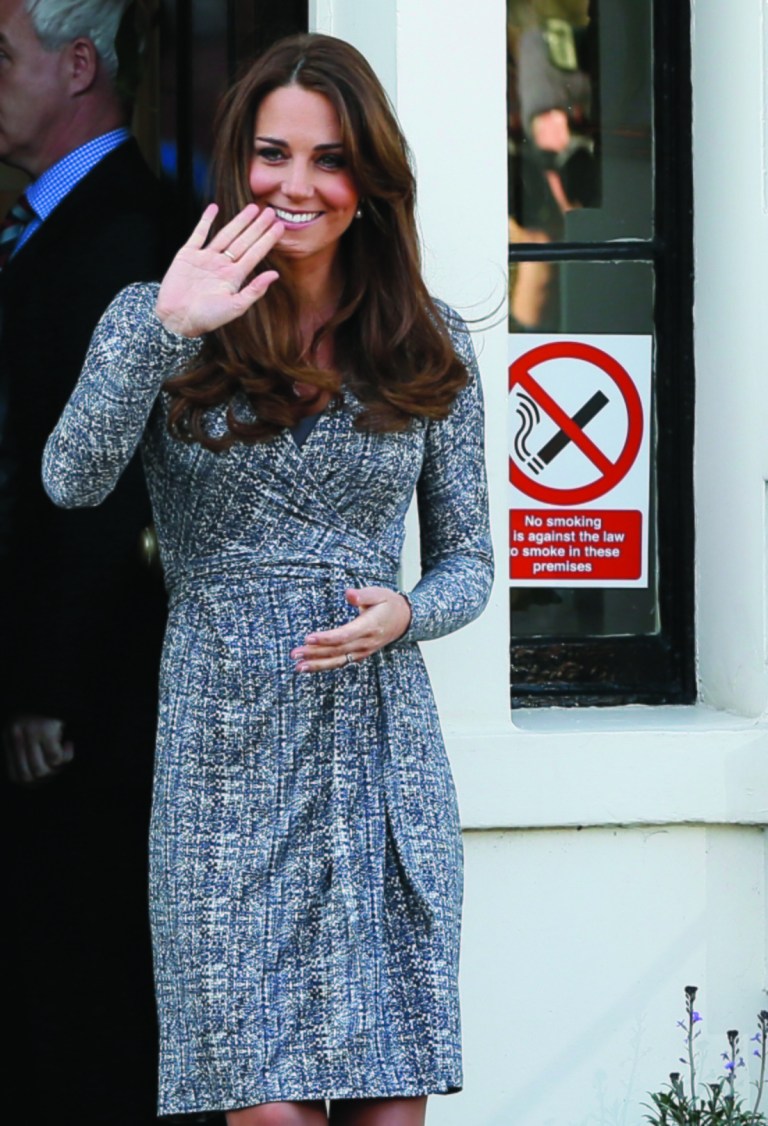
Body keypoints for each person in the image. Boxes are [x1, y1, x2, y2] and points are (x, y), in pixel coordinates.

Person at [43, 32, 493, 1126]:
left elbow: (472, 560)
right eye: (272, 154)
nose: (296, 185)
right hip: (224, 761)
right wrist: (161, 329)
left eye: (329, 159)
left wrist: (407, 612)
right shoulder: (158, 319)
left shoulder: (429, 343)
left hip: (377, 758)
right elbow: (69, 480)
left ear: (368, 182)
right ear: (237, 159)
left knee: (389, 1104)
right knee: (267, 1106)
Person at [0, 1, 177, 1122]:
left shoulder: (124, 233)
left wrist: (48, 689)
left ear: (77, 66)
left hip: (90, 711)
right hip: (67, 694)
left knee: (74, 987)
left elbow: (105, 487)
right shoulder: (52, 224)